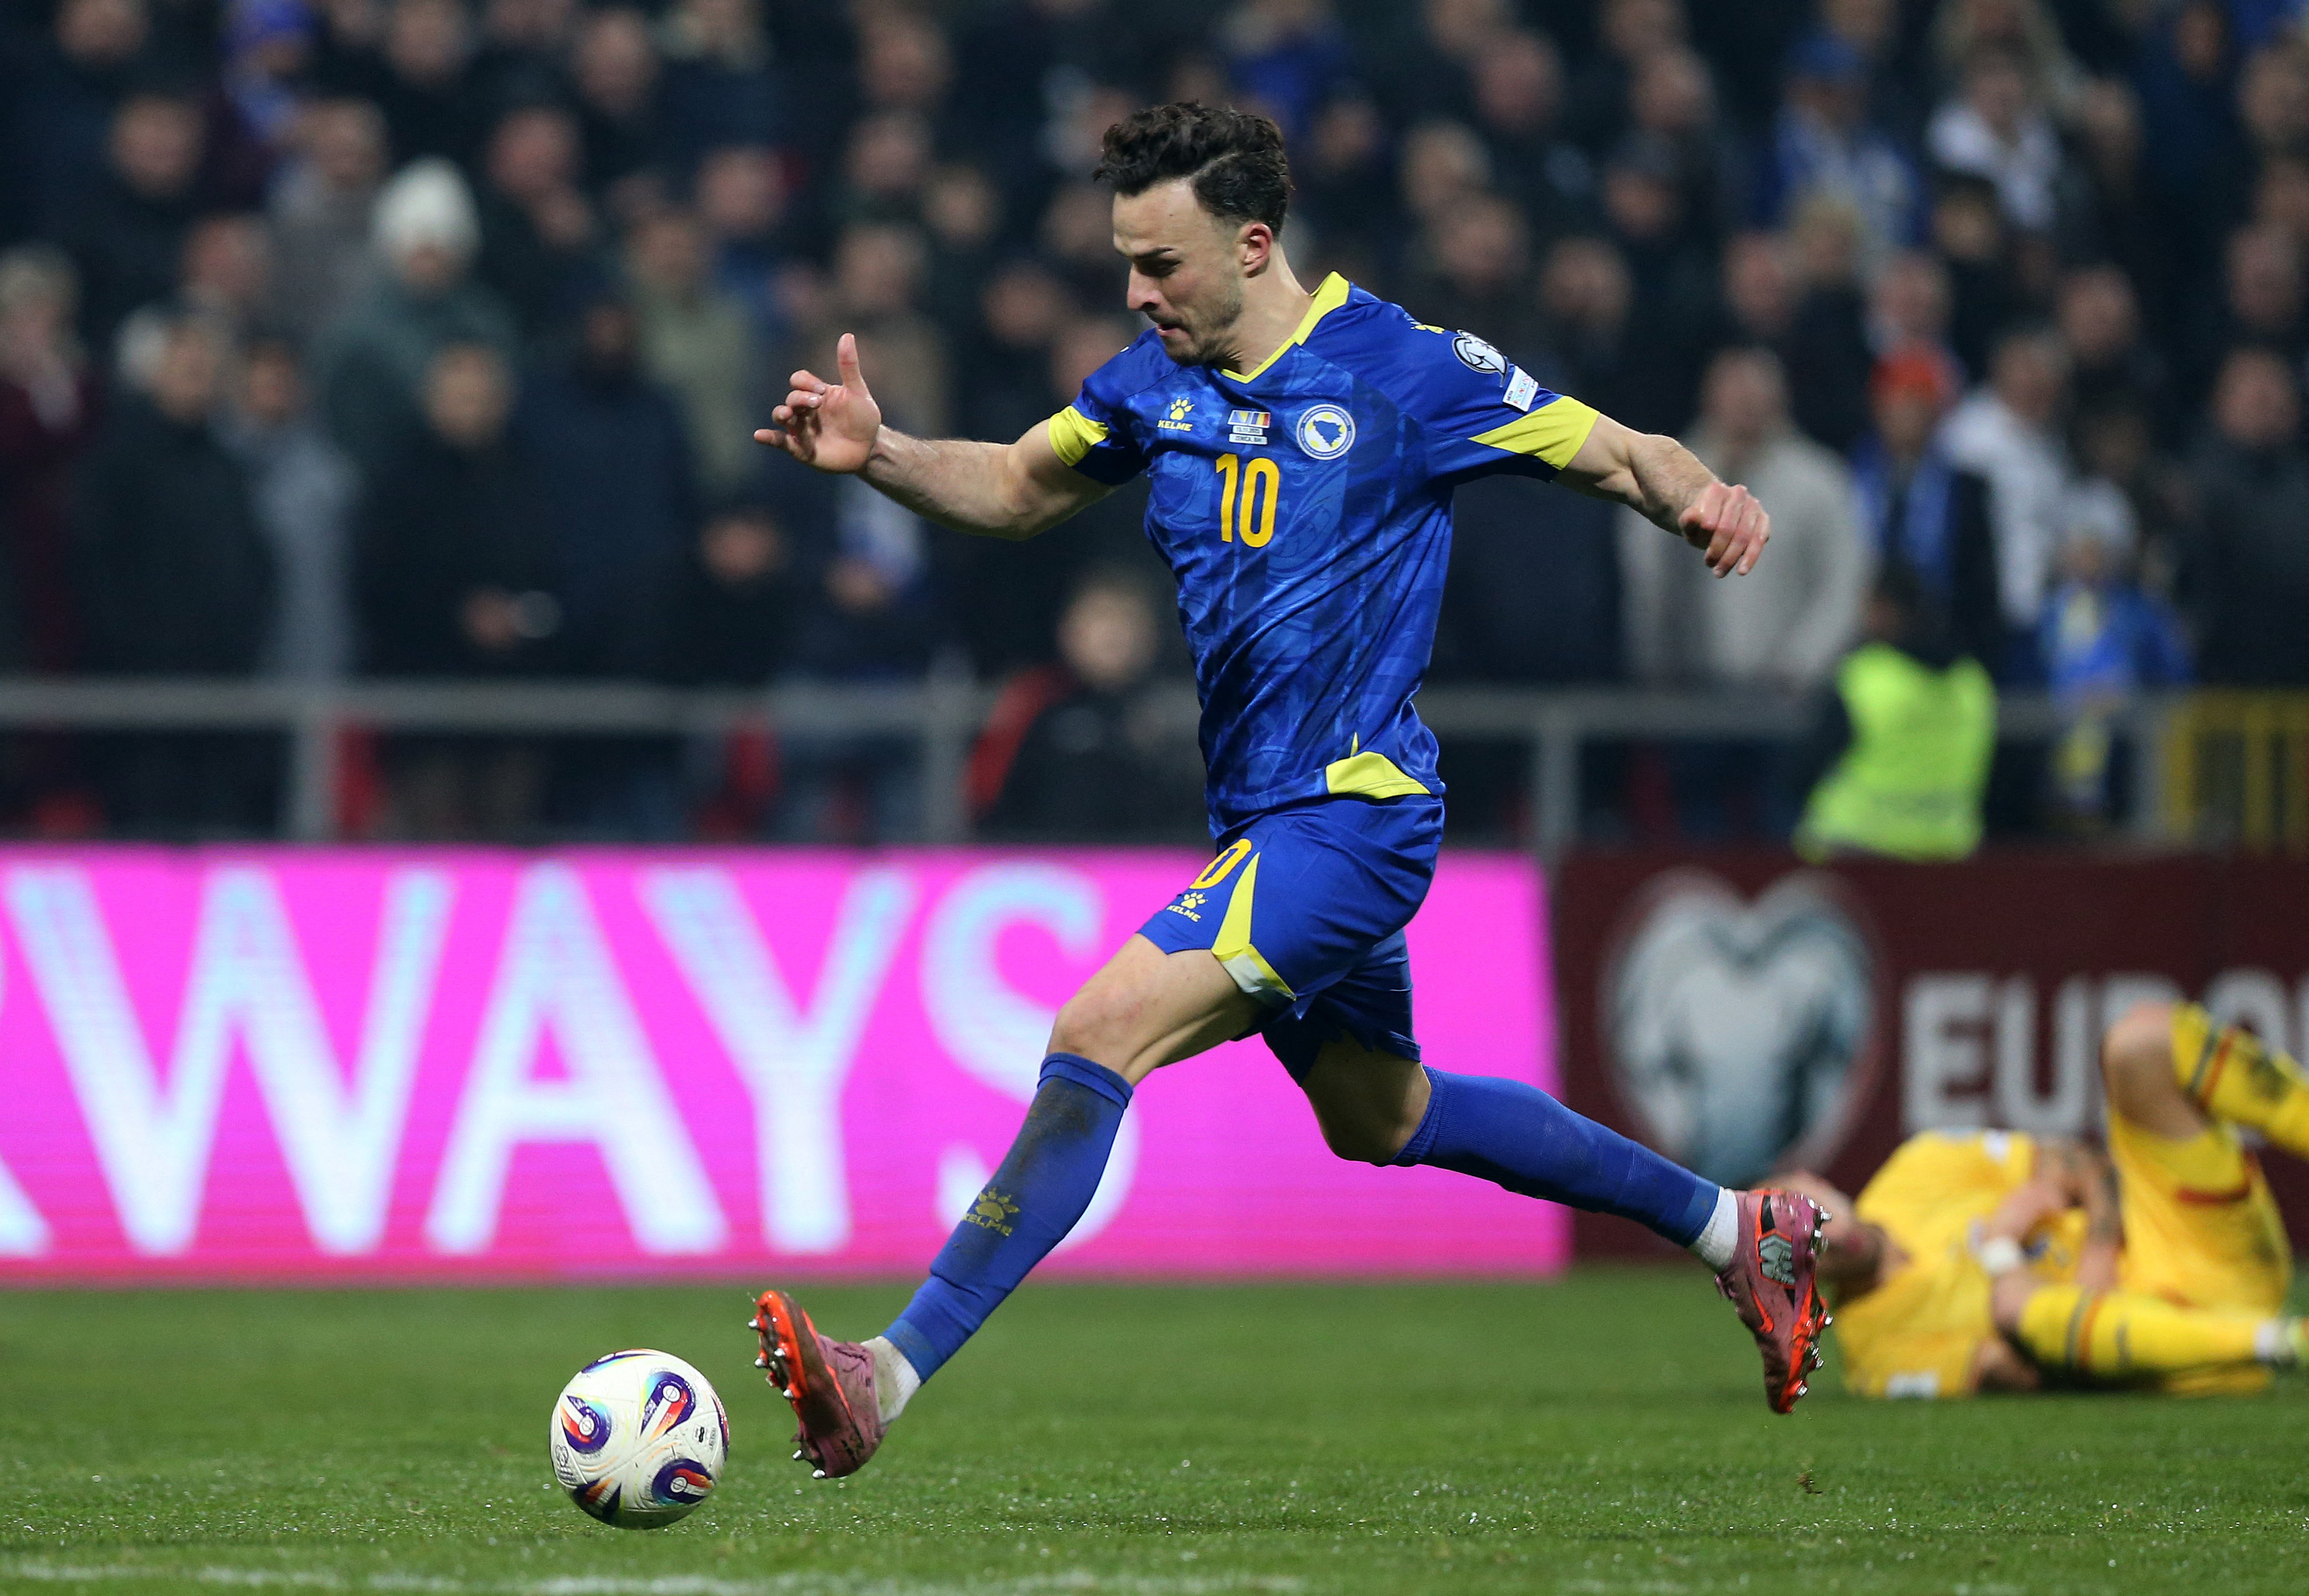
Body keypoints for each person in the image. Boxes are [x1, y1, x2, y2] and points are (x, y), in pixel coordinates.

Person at [744, 102, 1827, 1481]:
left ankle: (882, 1374)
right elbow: (1015, 484)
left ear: (1252, 246)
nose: (1138, 295)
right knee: (1385, 1115)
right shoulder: (1149, 387)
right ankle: (1741, 1231)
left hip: (1354, 819)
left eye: (1161, 265)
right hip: (1264, 827)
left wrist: (1704, 495)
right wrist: (883, 452)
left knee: (1100, 1027)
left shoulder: (1407, 372)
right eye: (1125, 265)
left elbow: (1617, 449)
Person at [1787, 1001, 2309, 1398]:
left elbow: (2081, 1162)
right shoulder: (1876, 1357)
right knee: (2014, 1306)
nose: (1816, 1235)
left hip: (2195, 1233)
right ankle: (2282, 1341)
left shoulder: (1917, 1168)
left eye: (1802, 1210)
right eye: (1796, 1249)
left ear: (1815, 1180)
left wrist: (2099, 1252)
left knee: (2140, 1041)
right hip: (2178, 1347)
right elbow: (2018, 1374)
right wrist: (2003, 1254)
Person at [1792, 563, 1996, 862]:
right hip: (1947, 850)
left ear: (1885, 608)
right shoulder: (1971, 681)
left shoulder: (1866, 677)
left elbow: (1804, 769)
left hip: (1855, 847)